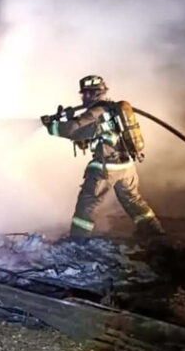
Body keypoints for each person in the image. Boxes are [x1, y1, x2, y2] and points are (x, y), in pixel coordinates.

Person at [41, 75, 165, 239]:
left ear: (94, 94)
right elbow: (86, 135)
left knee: (88, 202)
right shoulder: (112, 109)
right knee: (133, 200)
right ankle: (154, 231)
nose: (83, 97)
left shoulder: (96, 112)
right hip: (127, 167)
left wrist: (51, 126)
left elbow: (73, 130)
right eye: (82, 94)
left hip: (106, 167)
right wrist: (71, 117)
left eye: (86, 94)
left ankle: (77, 241)